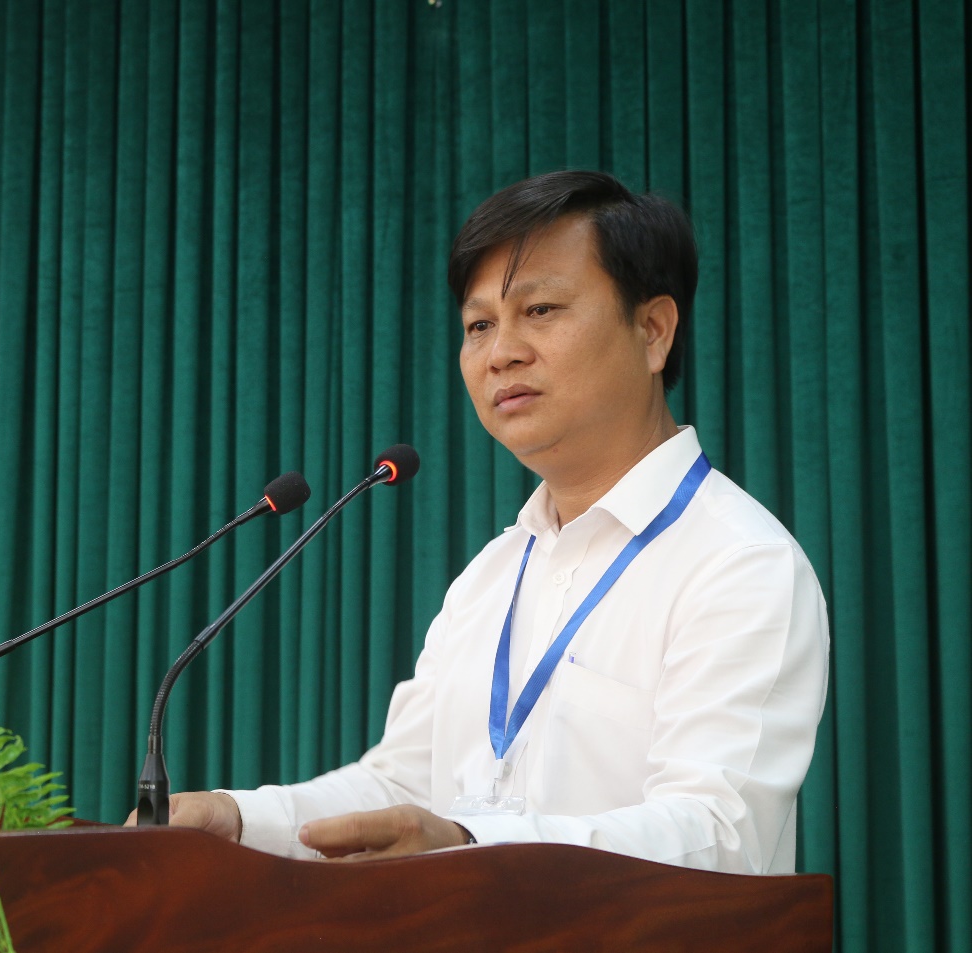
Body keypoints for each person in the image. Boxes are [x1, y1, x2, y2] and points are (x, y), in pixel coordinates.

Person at [131, 170, 829, 874]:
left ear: (652, 331)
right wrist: (237, 820)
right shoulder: (491, 576)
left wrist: (470, 845)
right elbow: (402, 789)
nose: (502, 353)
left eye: (541, 309)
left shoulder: (738, 561)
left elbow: (718, 834)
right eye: (479, 326)